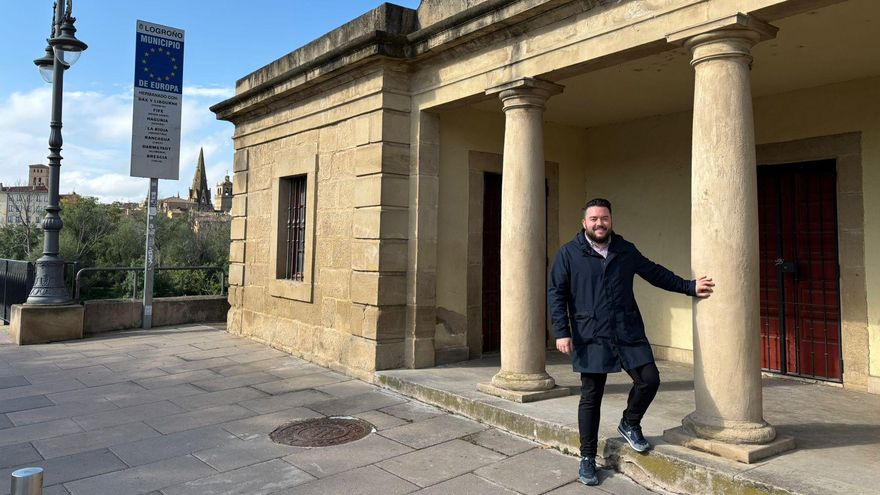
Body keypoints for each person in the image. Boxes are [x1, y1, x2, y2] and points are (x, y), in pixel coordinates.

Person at [548, 198, 714, 486]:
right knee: (591, 396)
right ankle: (587, 457)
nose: (600, 223)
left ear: (611, 220)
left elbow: (654, 272)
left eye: (605, 218)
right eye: (594, 219)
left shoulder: (625, 250)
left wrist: (689, 287)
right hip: (591, 334)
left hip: (627, 330)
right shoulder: (568, 254)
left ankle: (629, 422)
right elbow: (556, 294)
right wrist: (562, 331)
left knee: (649, 379)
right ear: (584, 223)